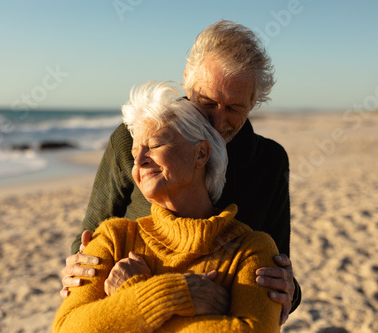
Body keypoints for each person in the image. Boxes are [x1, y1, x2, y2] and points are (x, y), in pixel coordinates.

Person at [62, 20, 301, 323]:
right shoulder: (133, 140)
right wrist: (81, 270)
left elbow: (277, 269)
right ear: (187, 79)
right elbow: (87, 243)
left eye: (235, 107)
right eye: (207, 101)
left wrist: (289, 291)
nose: (217, 120)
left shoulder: (269, 161)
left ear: (255, 102)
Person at [52, 81, 281, 332]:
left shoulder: (250, 249)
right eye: (135, 151)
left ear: (201, 155)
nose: (138, 161)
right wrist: (171, 295)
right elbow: (66, 328)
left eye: (155, 145)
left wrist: (130, 295)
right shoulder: (113, 238)